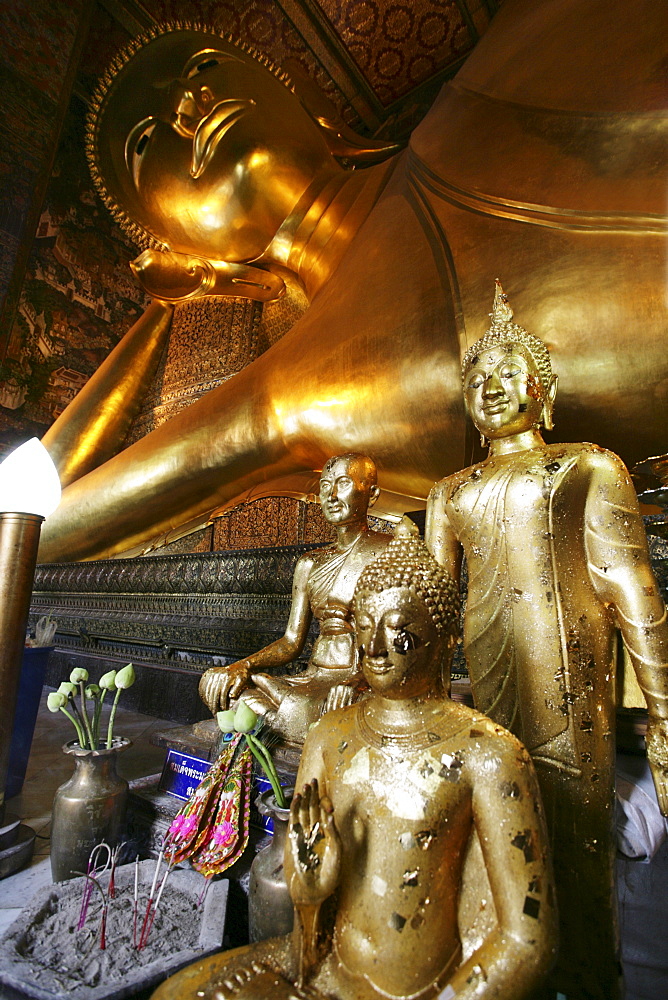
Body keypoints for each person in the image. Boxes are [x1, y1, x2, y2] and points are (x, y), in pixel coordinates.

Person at [37, 0, 668, 563]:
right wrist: (165, 313)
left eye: (202, 68)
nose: (186, 106)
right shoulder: (292, 390)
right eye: (145, 144)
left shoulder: (508, 61)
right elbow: (31, 521)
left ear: (312, 103)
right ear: (179, 255)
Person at [152, 522, 557, 1000]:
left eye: (401, 636)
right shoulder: (329, 736)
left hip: (422, 988)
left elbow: (526, 942)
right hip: (322, 969)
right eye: (366, 629)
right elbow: (307, 930)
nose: (377, 650)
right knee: (178, 994)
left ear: (445, 639)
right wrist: (309, 889)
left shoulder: (488, 754)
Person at [425, 280, 668, 1000]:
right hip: (487, 686)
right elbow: (437, 613)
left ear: (544, 391)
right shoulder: (450, 492)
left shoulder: (587, 466)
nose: (491, 387)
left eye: (508, 372)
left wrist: (663, 713)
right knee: (497, 831)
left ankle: (592, 973)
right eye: (477, 378)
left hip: (571, 677)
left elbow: (633, 592)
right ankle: (503, 967)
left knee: (572, 836)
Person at [199, 454, 389, 742]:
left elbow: (399, 636)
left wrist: (360, 681)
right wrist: (243, 666)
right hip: (311, 678)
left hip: (359, 679)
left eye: (343, 484)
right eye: (325, 486)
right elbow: (291, 642)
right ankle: (287, 723)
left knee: (315, 707)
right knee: (219, 684)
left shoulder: (389, 552)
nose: (332, 495)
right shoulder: (309, 563)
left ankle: (278, 722)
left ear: (372, 494)